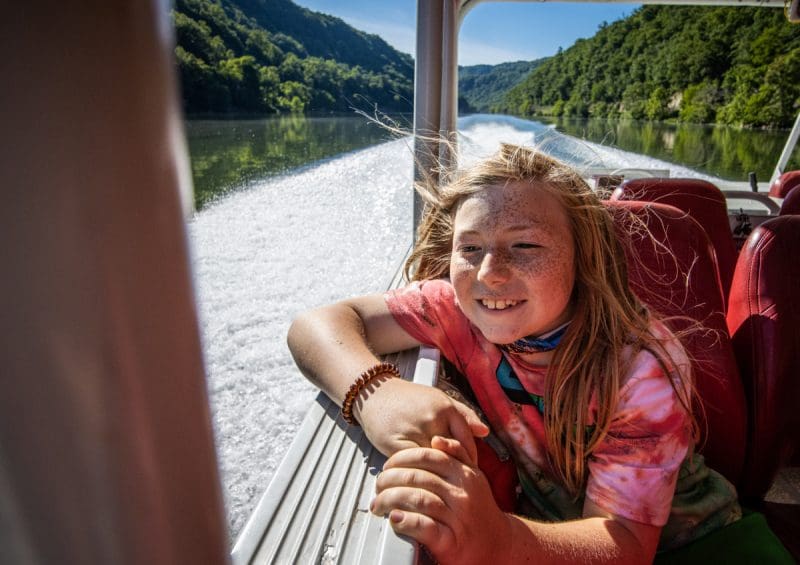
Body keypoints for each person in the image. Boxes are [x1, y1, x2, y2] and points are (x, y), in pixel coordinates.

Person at [287, 144, 739, 564]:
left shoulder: (639, 368)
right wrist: (377, 394)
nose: (489, 273)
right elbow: (315, 327)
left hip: (693, 541)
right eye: (470, 247)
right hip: (546, 528)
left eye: (525, 245)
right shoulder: (453, 310)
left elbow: (627, 543)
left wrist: (498, 539)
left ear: (584, 259)